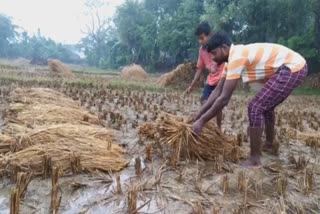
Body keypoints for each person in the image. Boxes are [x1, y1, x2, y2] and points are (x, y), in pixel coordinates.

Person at [192, 32, 308, 168]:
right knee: (266, 106)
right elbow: (216, 92)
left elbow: (223, 99)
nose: (212, 58)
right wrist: (197, 117)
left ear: (224, 48)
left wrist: (201, 122)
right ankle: (269, 145)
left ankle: (254, 159)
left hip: (292, 67)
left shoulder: (237, 57)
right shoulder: (230, 61)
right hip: (290, 67)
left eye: (214, 53)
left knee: (255, 107)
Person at [184, 21, 225, 129]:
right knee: (203, 100)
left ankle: (219, 128)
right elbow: (199, 69)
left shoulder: (218, 45)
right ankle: (207, 125)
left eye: (202, 38)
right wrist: (191, 86)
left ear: (209, 35)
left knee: (217, 104)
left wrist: (216, 65)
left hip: (221, 78)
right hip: (210, 80)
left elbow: (226, 58)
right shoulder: (201, 51)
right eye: (198, 39)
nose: (200, 41)